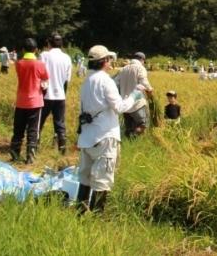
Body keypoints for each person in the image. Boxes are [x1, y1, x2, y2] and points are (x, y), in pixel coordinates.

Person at [76, 45, 146, 214]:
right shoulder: (105, 80)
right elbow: (119, 107)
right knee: (102, 179)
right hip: (104, 136)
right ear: (104, 61)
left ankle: (80, 211)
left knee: (85, 177)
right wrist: (134, 95)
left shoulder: (87, 81)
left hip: (87, 137)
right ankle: (97, 216)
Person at [10, 38, 49, 164]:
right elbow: (45, 78)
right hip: (35, 101)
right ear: (36, 50)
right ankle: (30, 159)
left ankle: (14, 154)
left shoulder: (18, 63)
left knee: (18, 128)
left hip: (21, 100)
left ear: (23, 49)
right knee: (32, 130)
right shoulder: (40, 64)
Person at [39, 33, 73, 155]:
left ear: (49, 43)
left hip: (45, 94)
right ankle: (62, 151)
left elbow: (39, 75)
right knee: (59, 123)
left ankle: (34, 148)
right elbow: (67, 80)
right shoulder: (67, 58)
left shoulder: (44, 55)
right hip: (60, 95)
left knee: (39, 121)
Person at [112, 52, 153, 139]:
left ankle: (129, 143)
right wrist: (150, 90)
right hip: (137, 103)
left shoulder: (123, 69)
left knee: (129, 128)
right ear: (142, 60)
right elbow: (144, 82)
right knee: (143, 125)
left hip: (125, 105)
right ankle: (135, 136)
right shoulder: (140, 68)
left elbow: (115, 83)